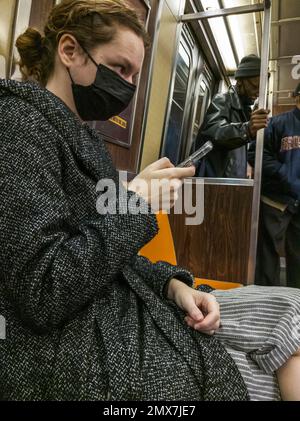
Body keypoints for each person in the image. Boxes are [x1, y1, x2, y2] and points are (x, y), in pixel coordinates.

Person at [0, 0, 300, 401]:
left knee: (292, 307)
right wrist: (135, 202)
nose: (125, 86)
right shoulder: (18, 126)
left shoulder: (85, 140)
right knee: (264, 379)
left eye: (133, 76)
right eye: (119, 68)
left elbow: (112, 252)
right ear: (69, 51)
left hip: (113, 304)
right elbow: (44, 290)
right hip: (71, 339)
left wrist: (174, 286)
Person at [249, 83, 300, 288]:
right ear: (297, 97)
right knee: (267, 253)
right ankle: (265, 297)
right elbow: (256, 153)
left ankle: (296, 300)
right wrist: (283, 173)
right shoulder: (277, 124)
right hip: (275, 199)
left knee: (298, 254)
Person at [193, 54, 269, 178]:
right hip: (215, 182)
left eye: (260, 89)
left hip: (233, 184)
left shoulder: (245, 112)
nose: (257, 93)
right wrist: (247, 129)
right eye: (255, 87)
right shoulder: (223, 100)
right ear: (240, 81)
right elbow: (214, 131)